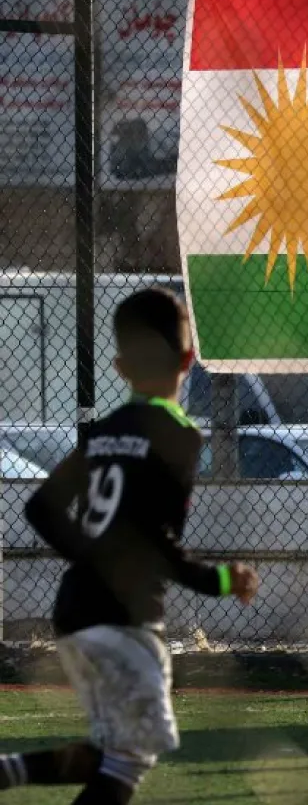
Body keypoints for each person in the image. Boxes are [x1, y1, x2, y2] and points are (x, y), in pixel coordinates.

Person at [1, 288, 259, 804]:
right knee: (129, 759)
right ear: (189, 360)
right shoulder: (179, 435)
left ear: (119, 367)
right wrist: (220, 580)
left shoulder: (102, 432)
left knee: (115, 750)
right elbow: (154, 539)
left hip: (75, 610)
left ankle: (8, 771)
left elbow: (41, 508)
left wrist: (92, 557)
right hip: (126, 618)